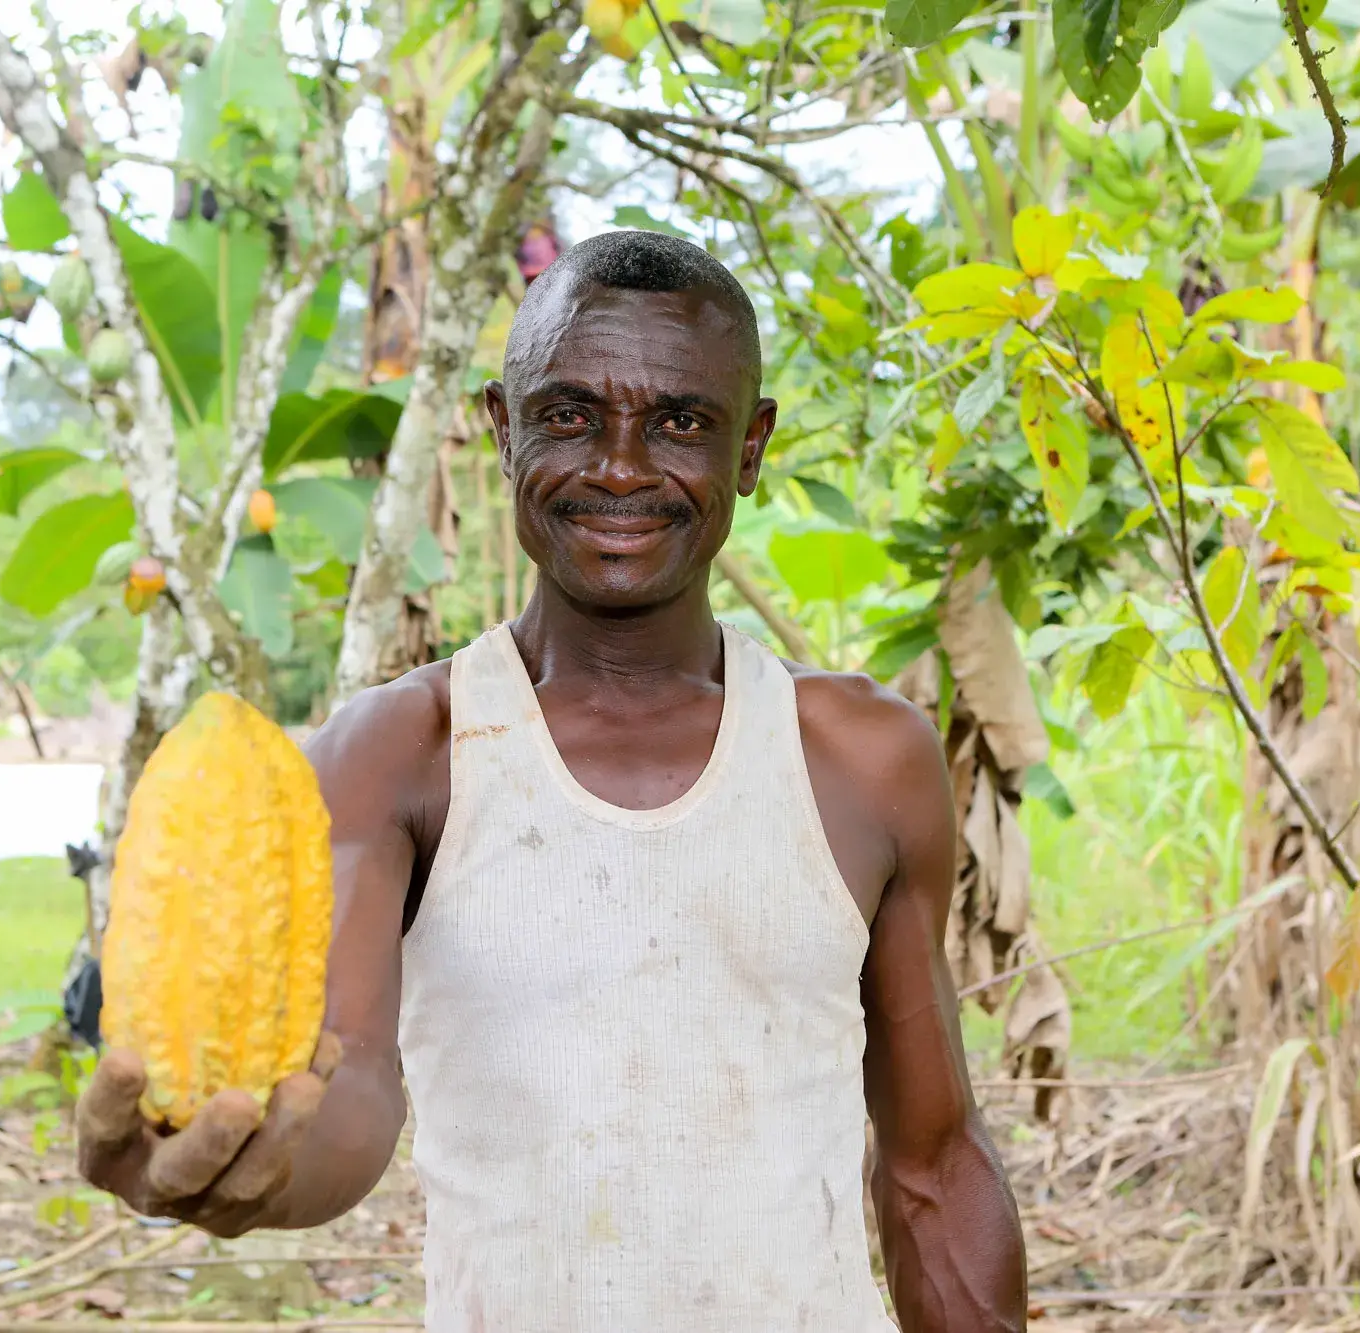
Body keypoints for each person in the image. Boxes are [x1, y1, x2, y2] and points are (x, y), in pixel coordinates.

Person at [73, 229, 1028, 1332]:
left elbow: (932, 1161)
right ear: (501, 427)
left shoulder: (863, 759)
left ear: (750, 447)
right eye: (569, 415)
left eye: (679, 421)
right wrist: (244, 1166)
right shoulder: (399, 753)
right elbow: (350, 1095)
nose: (619, 466)